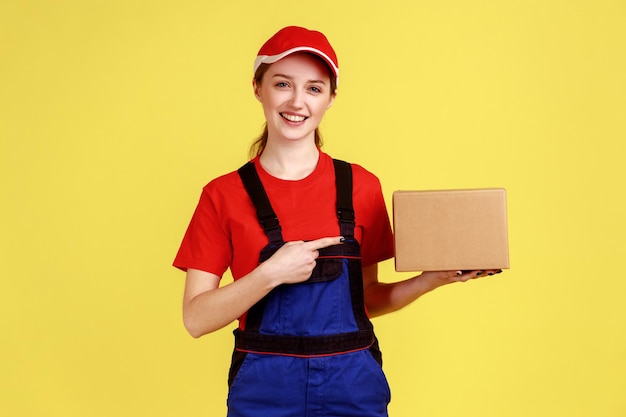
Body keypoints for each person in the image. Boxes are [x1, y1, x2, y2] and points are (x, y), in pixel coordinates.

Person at [173, 26, 501, 417]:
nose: (297, 101)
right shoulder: (222, 194)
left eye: (314, 88)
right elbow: (195, 319)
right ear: (258, 88)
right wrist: (271, 273)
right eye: (282, 84)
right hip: (265, 395)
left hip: (353, 390)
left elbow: (364, 301)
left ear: (331, 98)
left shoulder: (360, 187)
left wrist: (430, 279)